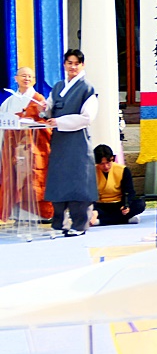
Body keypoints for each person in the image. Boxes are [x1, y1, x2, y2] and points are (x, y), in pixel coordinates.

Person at [42, 49, 99, 237]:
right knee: (58, 180)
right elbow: (49, 108)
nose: (73, 67)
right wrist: (43, 110)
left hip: (77, 141)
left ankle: (79, 224)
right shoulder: (58, 86)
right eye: (69, 63)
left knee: (78, 182)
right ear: (64, 64)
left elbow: (87, 117)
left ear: (82, 65)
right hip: (59, 141)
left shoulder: (87, 89)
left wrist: (59, 121)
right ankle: (59, 224)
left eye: (76, 63)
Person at [0, 65, 52, 221]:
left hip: (33, 147)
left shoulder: (39, 100)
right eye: (23, 75)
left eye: (30, 76)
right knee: (14, 178)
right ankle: (16, 214)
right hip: (13, 147)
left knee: (33, 180)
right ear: (15, 78)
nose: (27, 78)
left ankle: (36, 215)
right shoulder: (9, 101)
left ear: (34, 80)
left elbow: (46, 124)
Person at [92, 144, 144, 225]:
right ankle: (125, 220)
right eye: (102, 164)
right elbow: (89, 194)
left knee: (140, 204)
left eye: (108, 162)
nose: (106, 166)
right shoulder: (91, 172)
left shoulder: (123, 170)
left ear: (112, 158)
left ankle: (101, 221)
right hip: (100, 205)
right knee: (83, 208)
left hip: (118, 204)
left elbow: (129, 191)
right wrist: (94, 210)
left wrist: (126, 205)